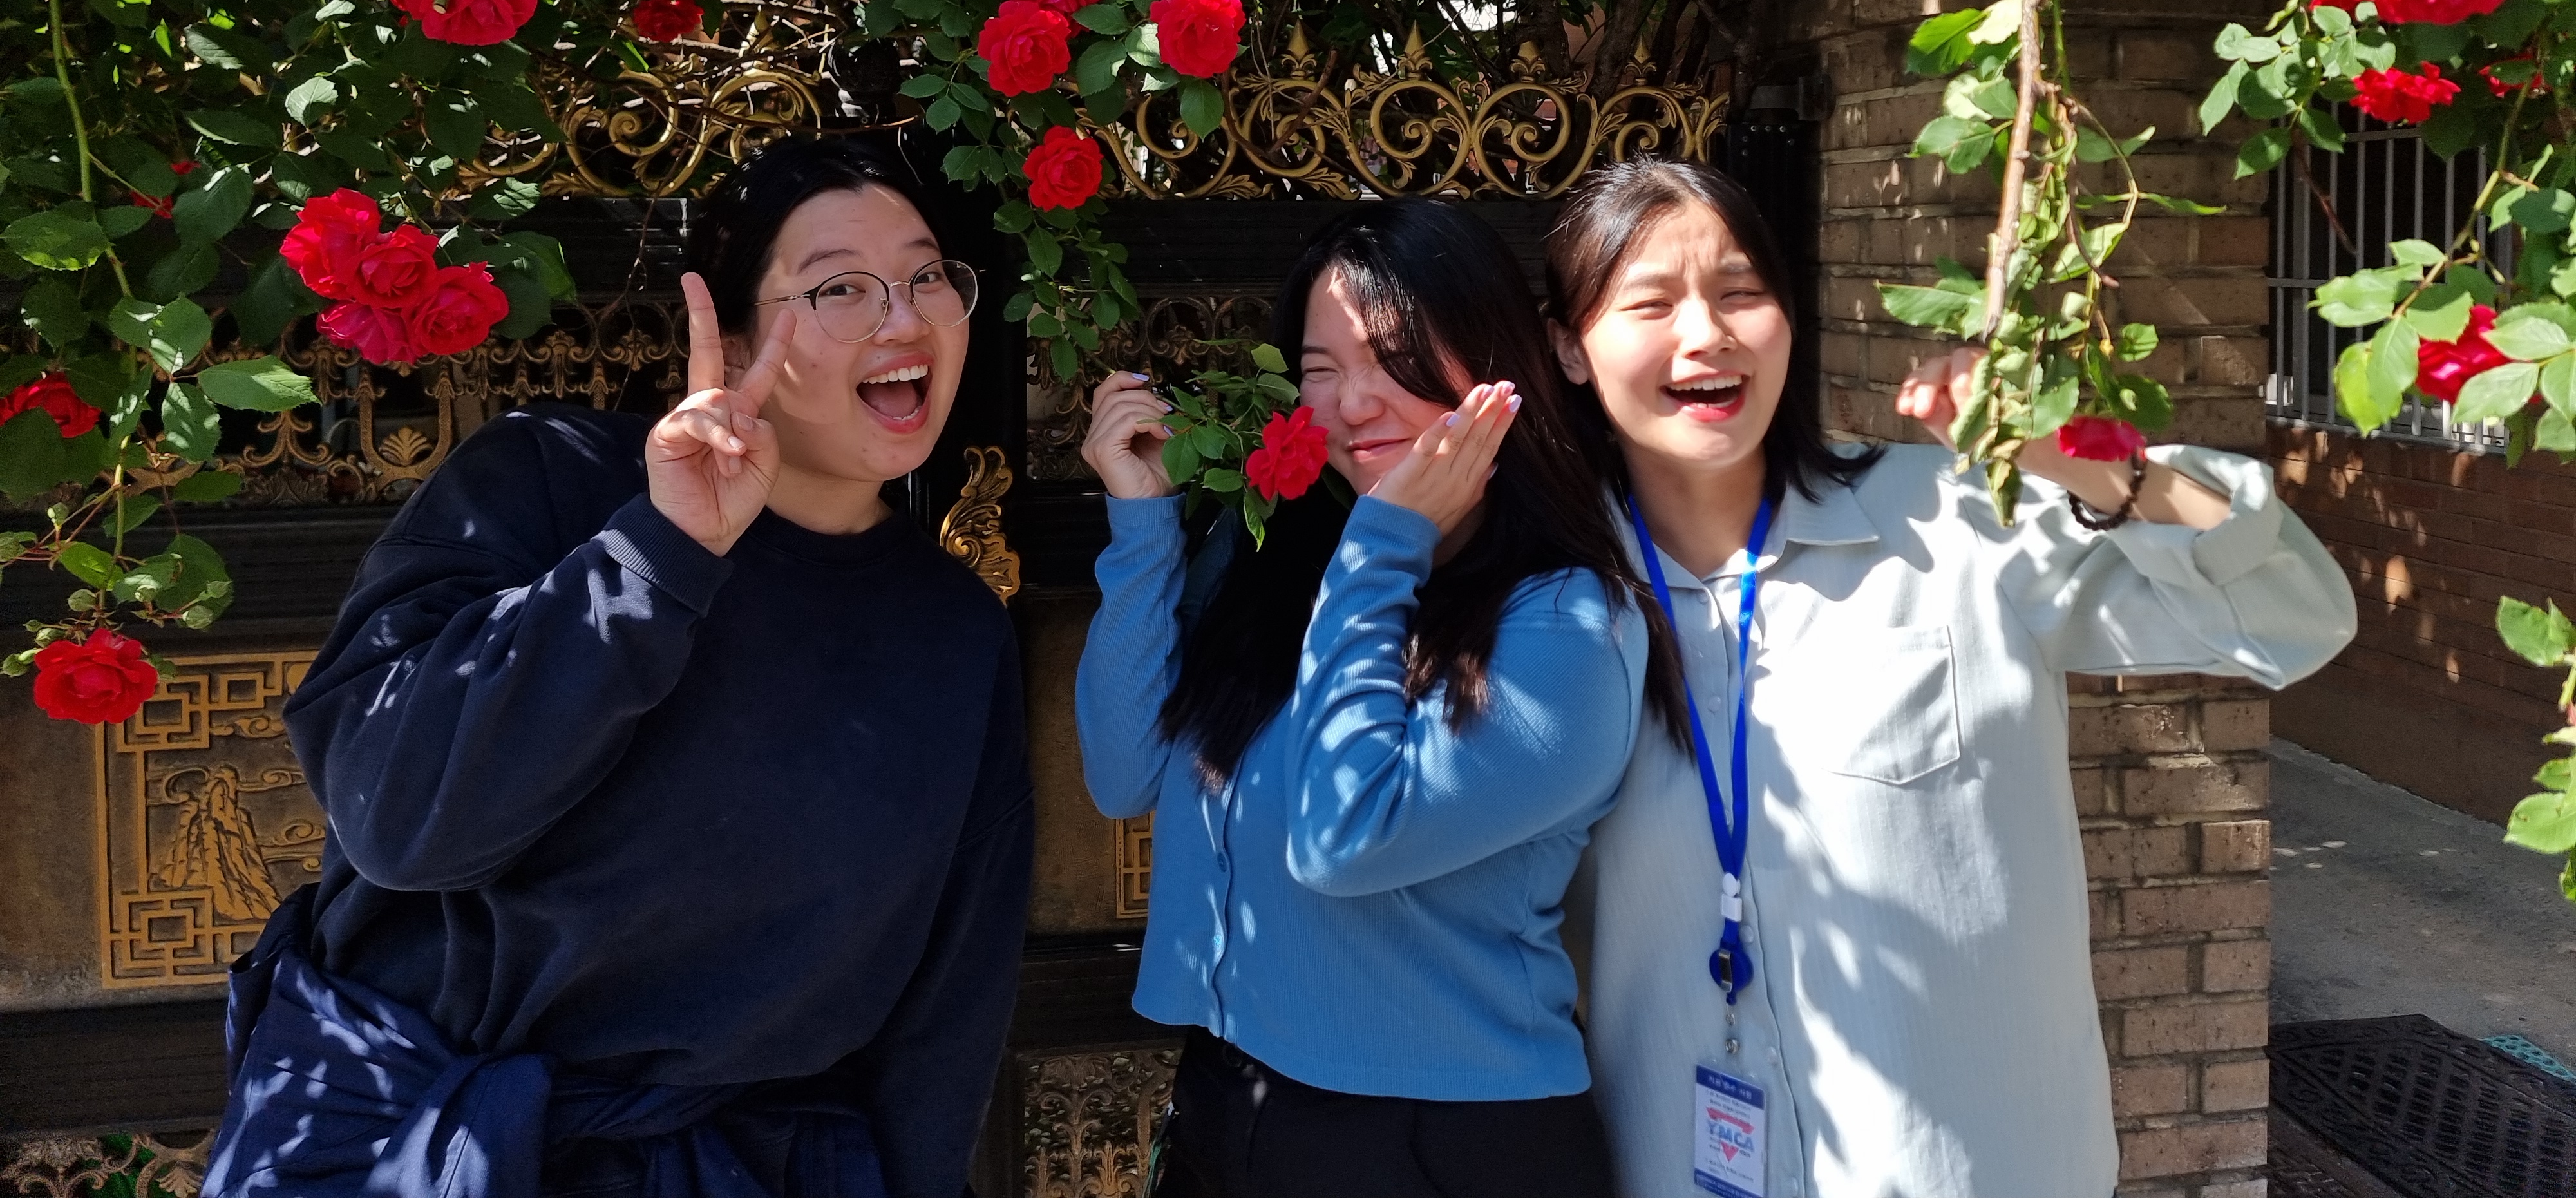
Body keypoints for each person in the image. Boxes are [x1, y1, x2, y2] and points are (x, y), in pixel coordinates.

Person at [205, 136, 1034, 1198]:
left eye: (927, 278)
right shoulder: (545, 482)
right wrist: (660, 553)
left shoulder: (952, 630)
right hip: (408, 1137)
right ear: (734, 338)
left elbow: (948, 1009)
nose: (905, 319)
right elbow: (400, 821)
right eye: (841, 289)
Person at [1548, 157, 2356, 1198]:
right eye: (1651, 304)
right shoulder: (1549, 605)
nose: (1706, 334)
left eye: (1741, 292)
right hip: (1673, 1162)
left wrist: (2087, 461)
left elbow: (2294, 619)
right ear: (1569, 347)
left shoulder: (1954, 524)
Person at [1075, 197, 1688, 1198]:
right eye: (1320, 369)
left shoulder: (1569, 623)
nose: (1353, 403)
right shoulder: (1279, 563)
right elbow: (1121, 770)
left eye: (1395, 357)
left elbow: (1344, 841)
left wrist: (1382, 549)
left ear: (1495, 364)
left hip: (1439, 1139)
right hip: (1229, 1101)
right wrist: (1143, 529)